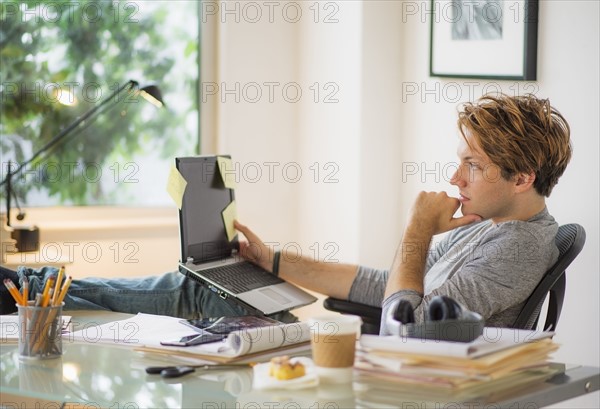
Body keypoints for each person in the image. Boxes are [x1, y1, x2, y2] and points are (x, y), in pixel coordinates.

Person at [1, 94, 572, 334]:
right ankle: (34, 290)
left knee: (202, 294)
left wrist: (418, 228)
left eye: (472, 166)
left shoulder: (519, 245)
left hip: (391, 369)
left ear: (522, 178)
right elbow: (380, 286)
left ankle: (28, 293)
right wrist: (272, 258)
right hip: (374, 353)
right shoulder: (492, 228)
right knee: (216, 284)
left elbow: (410, 327)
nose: (454, 180)